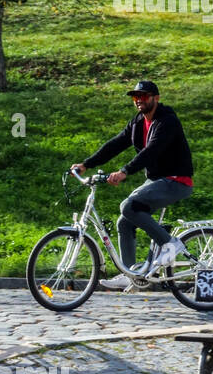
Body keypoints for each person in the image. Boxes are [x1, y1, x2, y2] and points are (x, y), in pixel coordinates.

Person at [71, 81, 193, 290]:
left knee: (128, 206)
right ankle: (129, 274)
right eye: (135, 97)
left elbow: (151, 151)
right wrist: (86, 164)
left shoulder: (167, 121)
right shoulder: (138, 122)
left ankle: (170, 245)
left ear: (156, 98)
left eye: (143, 96)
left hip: (176, 179)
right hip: (157, 180)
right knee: (124, 222)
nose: (138, 100)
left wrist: (124, 171)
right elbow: (115, 144)